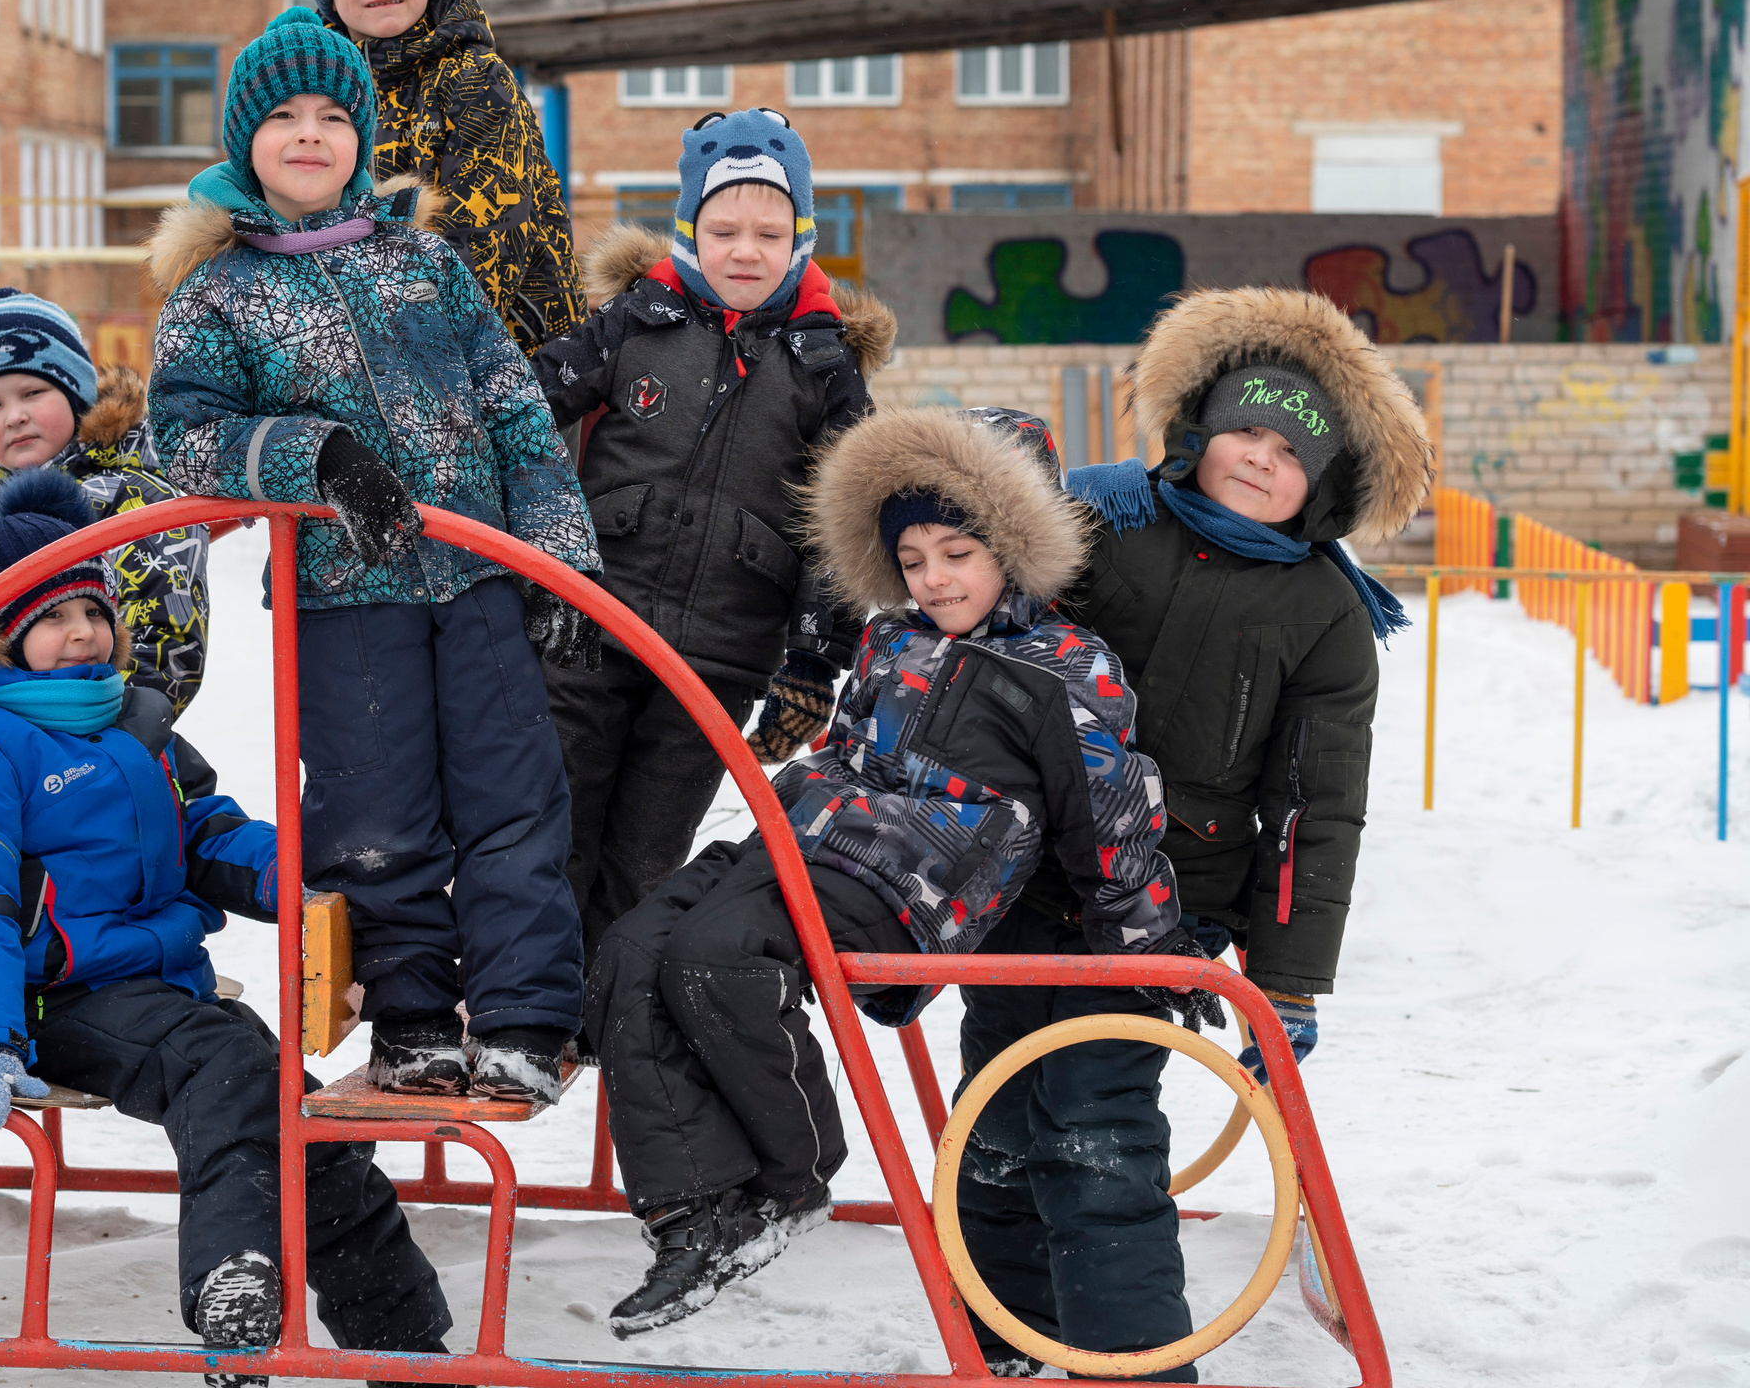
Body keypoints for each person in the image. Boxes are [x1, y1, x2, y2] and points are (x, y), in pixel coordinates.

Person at [586, 406, 1208, 1348]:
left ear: (1016, 542)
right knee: (630, 950)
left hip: (911, 881)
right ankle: (693, 1211)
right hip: (813, 841)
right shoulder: (892, 641)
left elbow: (1112, 818)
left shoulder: (1065, 669)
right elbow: (845, 751)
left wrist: (1154, 949)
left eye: (958, 552)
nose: (935, 579)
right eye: (913, 561)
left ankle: (787, 1179)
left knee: (717, 960)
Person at [0, 467, 453, 1386]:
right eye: (51, 620)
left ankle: (408, 1346)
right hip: (54, 999)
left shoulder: (135, 722)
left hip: (162, 991)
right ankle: (236, 1292)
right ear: (0, 635)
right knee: (229, 1072)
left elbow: (205, 831)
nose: (83, 636)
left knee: (302, 1120)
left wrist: (299, 867)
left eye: (94, 614)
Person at [148, 4, 601, 1105]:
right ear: (244, 142)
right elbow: (184, 434)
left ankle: (523, 1017)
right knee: (374, 810)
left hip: (480, 576)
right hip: (345, 596)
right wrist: (320, 457)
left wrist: (555, 557)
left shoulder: (426, 263)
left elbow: (513, 409)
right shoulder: (219, 292)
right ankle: (408, 1019)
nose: (309, 136)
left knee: (512, 797)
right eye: (283, 118)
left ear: (361, 137)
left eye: (331, 116)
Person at [1060, 286, 1430, 1139]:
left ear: (1325, 487)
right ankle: (986, 1272)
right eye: (1247, 430)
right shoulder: (1097, 516)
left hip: (1174, 893)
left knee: (1096, 1110)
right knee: (999, 1090)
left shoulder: (1327, 613)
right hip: (1031, 861)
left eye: (1294, 452)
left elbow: (1315, 809)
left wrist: (1290, 978)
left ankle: (1119, 1271)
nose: (1263, 458)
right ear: (1199, 429)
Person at [530, 108, 891, 957]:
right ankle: (527, 1008)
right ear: (689, 229)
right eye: (723, 228)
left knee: (649, 849)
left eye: (770, 232)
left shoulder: (825, 367)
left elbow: (842, 530)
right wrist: (535, 560)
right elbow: (522, 408)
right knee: (555, 821)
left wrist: (811, 663)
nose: (745, 251)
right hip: (590, 624)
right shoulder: (632, 324)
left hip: (720, 653)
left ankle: (604, 1011)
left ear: (803, 238)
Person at [307, 0, 580, 356]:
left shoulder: (474, 78)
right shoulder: (326, 97)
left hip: (513, 367)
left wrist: (370, 351)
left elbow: (482, 246)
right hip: (379, 363)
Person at [0, 289, 210, 713]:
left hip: (98, 724)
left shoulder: (136, 500)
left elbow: (167, 641)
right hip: (2, 726)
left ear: (78, 396)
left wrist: (109, 720)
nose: (14, 416)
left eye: (32, 392)